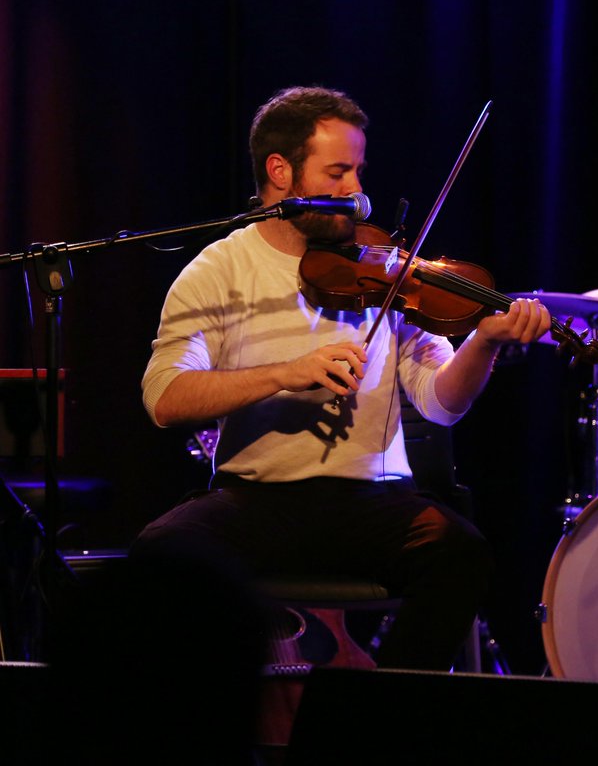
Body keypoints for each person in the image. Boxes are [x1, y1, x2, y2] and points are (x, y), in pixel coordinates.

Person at [134, 86, 550, 672]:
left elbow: (441, 403)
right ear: (280, 172)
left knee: (461, 553)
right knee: (161, 553)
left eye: (357, 170)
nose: (356, 190)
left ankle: (371, 721)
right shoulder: (218, 270)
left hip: (374, 502)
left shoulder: (387, 268)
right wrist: (285, 374)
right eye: (337, 172)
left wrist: (483, 340)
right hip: (254, 502)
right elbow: (165, 397)